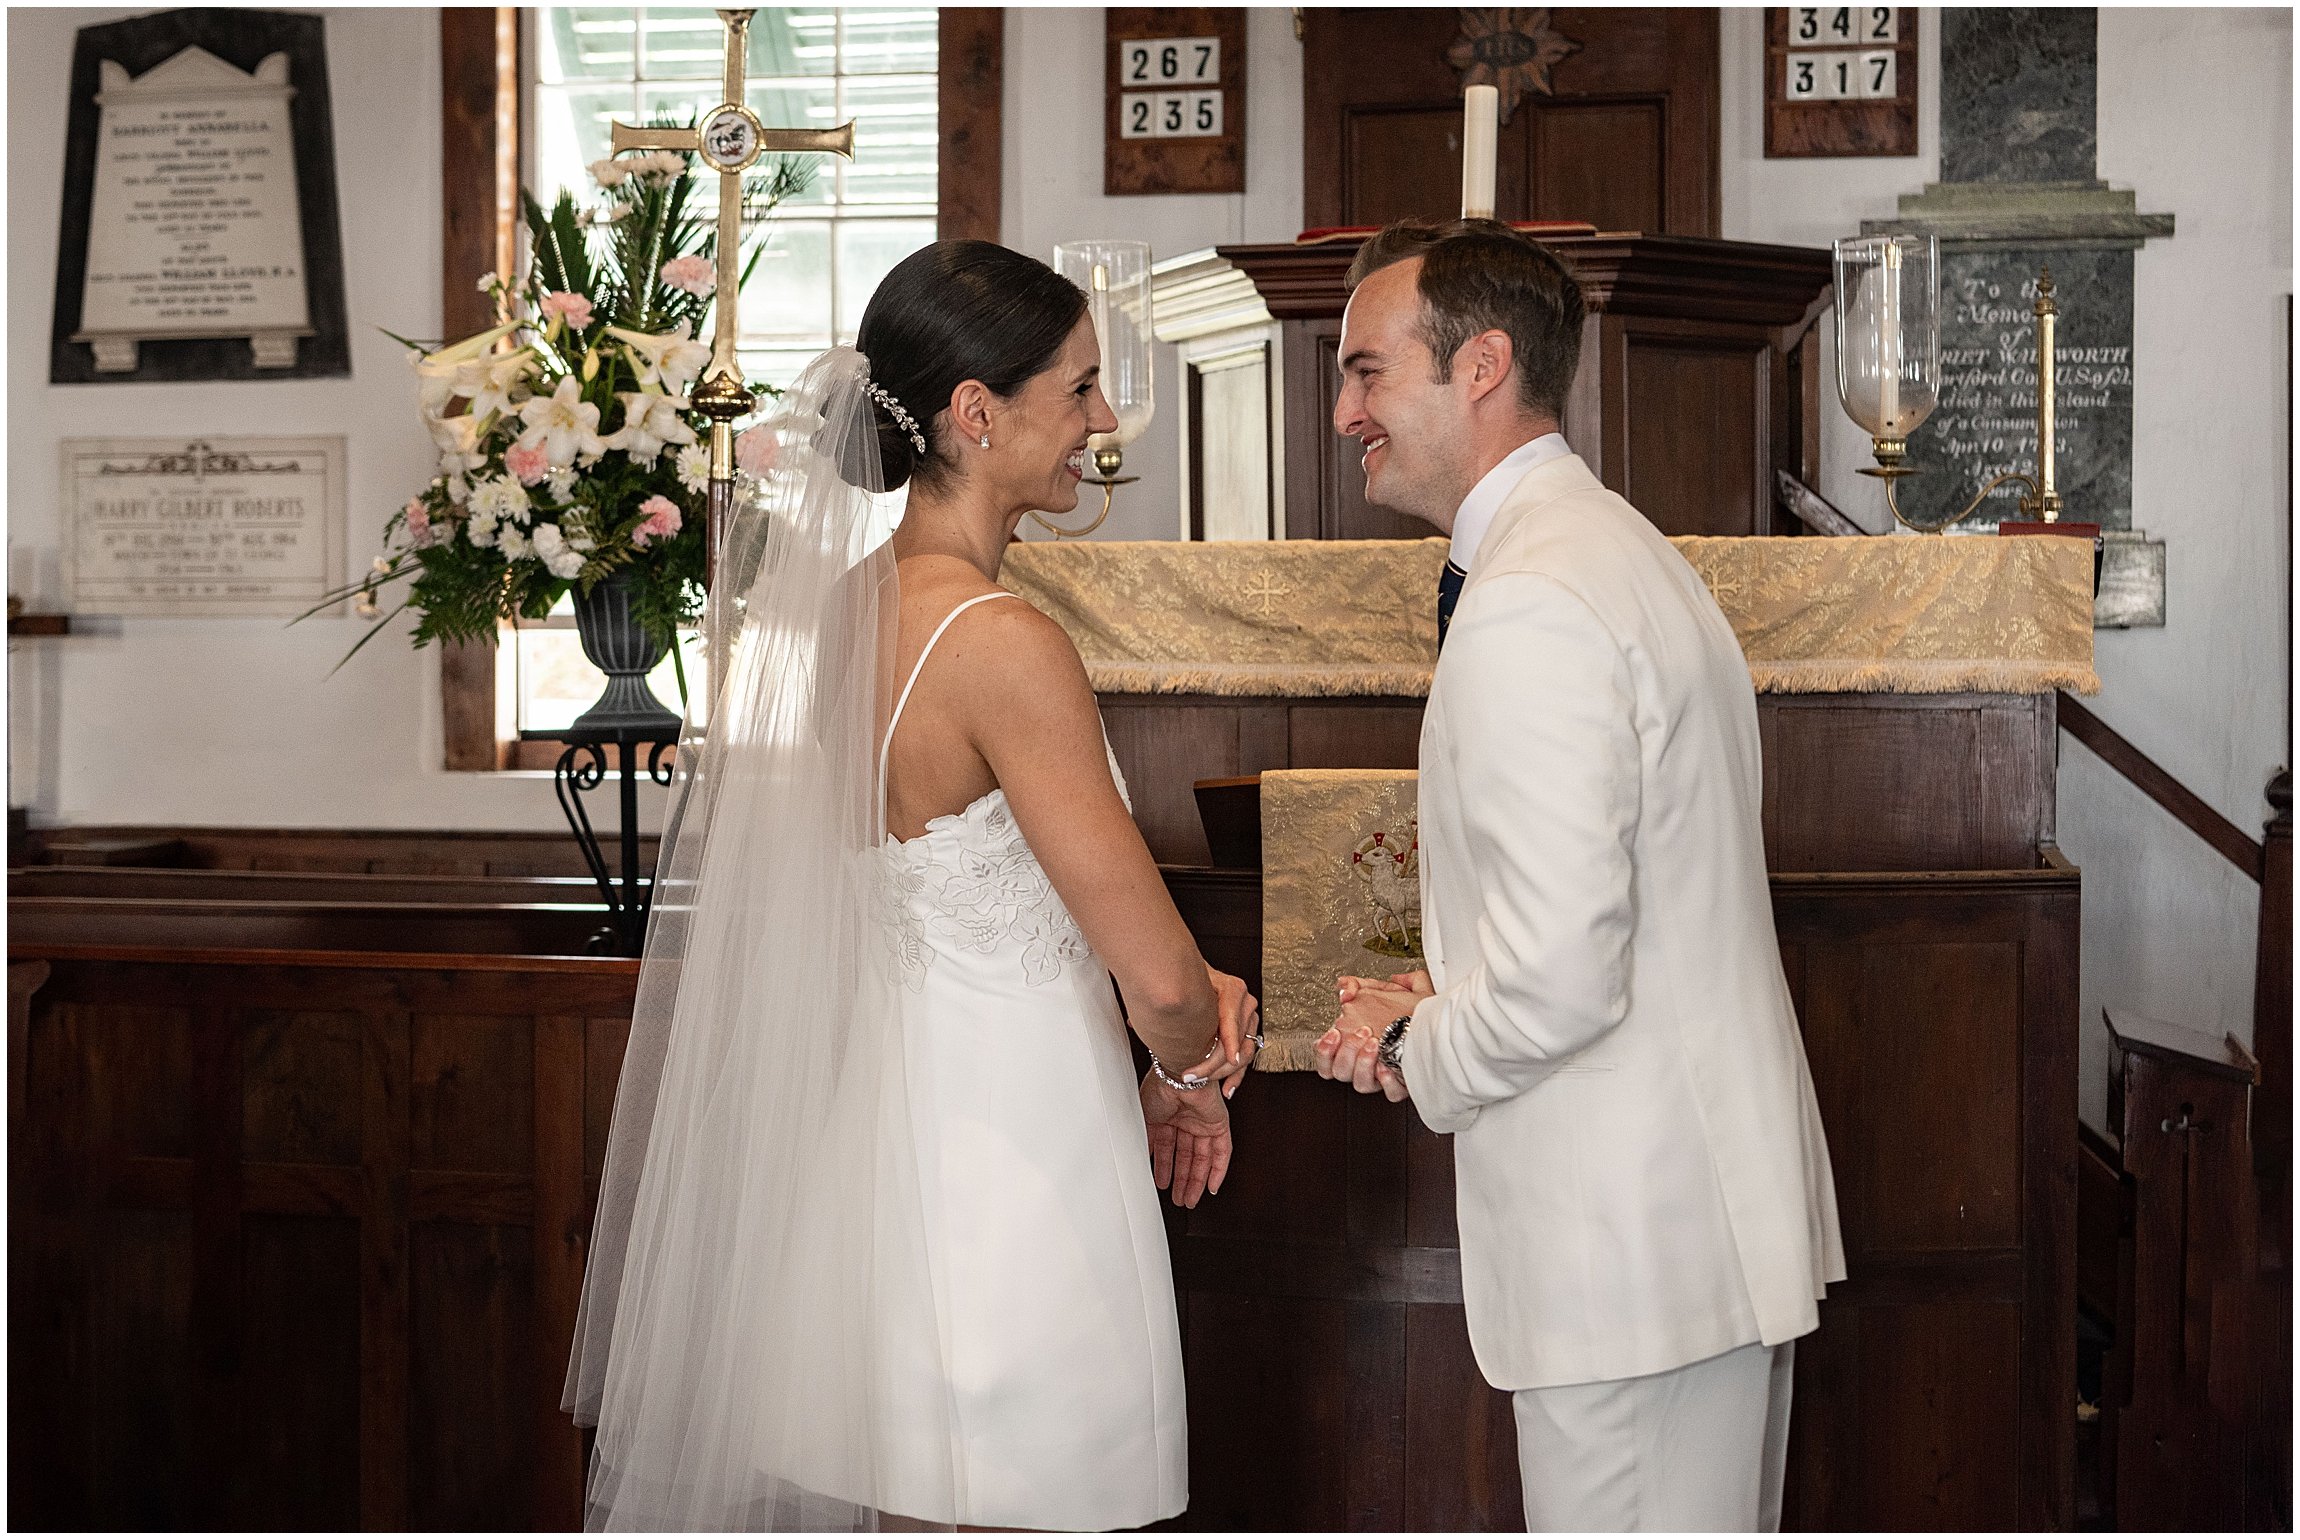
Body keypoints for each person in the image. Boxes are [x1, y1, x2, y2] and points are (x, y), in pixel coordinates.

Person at [565, 240, 1259, 1532]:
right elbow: (1160, 975)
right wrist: (1186, 1067)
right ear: (977, 413)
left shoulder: (844, 615)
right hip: (1016, 1195)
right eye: (1081, 390)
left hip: (876, 1181)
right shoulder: (1003, 645)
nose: (1101, 422)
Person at [1312, 219, 1845, 1532]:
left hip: (1632, 1254)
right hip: (1675, 1229)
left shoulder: (1536, 597)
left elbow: (1559, 982)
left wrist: (1418, 1048)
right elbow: (1624, 905)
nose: (1341, 413)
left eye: (1369, 372)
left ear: (1480, 364)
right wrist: (1440, 988)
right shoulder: (1613, 550)